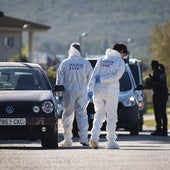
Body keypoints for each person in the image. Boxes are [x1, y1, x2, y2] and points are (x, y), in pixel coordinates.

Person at [87, 47, 125, 149]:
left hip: (98, 90)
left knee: (98, 114)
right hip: (111, 91)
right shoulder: (120, 61)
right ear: (121, 51)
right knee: (111, 115)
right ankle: (111, 141)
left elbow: (94, 75)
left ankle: (94, 137)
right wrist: (104, 79)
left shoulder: (102, 59)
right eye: (124, 54)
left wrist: (89, 89)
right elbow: (116, 76)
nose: (124, 56)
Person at [56, 42, 93, 146]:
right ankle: (84, 138)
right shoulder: (85, 63)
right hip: (82, 90)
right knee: (82, 114)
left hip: (68, 91)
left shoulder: (65, 63)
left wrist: (58, 95)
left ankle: (68, 140)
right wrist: (90, 91)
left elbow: (59, 80)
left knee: (68, 114)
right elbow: (91, 78)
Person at [149, 61, 168, 136]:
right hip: (159, 94)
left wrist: (153, 81)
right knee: (159, 112)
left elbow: (159, 83)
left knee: (161, 112)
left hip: (161, 94)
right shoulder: (158, 72)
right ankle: (161, 129)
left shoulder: (160, 72)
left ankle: (163, 130)